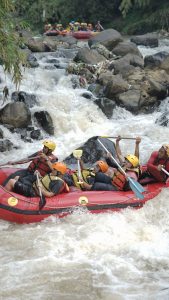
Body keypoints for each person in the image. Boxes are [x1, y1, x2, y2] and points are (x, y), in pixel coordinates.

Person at [4, 162, 69, 197]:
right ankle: (10, 196)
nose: (52, 170)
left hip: (34, 193)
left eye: (54, 170)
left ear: (59, 173)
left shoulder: (58, 183)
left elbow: (50, 194)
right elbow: (44, 181)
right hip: (33, 186)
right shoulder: (53, 175)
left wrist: (41, 190)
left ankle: (3, 198)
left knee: (11, 181)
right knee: (17, 177)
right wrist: (39, 175)